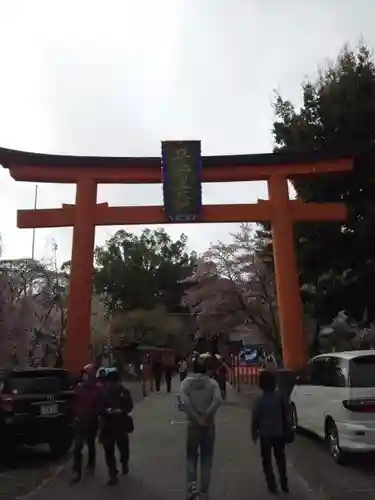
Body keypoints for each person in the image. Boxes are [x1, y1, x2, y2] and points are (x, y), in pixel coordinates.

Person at [180, 353, 222, 500]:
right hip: (208, 425)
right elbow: (217, 400)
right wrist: (207, 415)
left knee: (191, 456)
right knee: (206, 457)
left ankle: (192, 489)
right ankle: (204, 491)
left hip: (193, 425)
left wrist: (195, 417)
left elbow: (183, 403)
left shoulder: (186, 383)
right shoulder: (212, 384)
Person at [251, 370, 292, 494]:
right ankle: (284, 483)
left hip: (265, 434)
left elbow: (255, 418)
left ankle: (272, 484)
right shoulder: (280, 397)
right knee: (280, 458)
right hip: (279, 432)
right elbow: (288, 412)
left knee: (266, 460)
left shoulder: (259, 400)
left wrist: (254, 432)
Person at [99, 369, 134, 486]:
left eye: (113, 382)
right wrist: (106, 411)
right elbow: (99, 407)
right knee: (108, 450)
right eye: (109, 382)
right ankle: (112, 473)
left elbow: (129, 406)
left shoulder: (124, 392)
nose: (110, 384)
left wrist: (121, 410)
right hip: (107, 425)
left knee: (123, 448)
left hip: (121, 424)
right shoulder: (103, 393)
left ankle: (124, 463)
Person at [71, 363, 104, 483]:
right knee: (77, 446)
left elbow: (101, 405)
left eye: (86, 374)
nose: (84, 376)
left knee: (90, 444)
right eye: (83, 374)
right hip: (79, 421)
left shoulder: (98, 388)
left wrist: (99, 418)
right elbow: (74, 403)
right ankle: (76, 471)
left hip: (91, 421)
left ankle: (91, 465)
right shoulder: (79, 388)